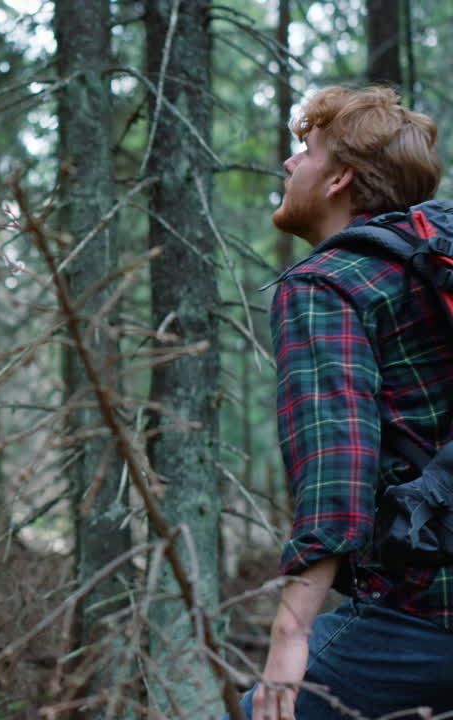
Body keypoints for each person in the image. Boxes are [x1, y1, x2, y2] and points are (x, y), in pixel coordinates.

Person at [236, 86, 453, 719]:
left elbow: (338, 461)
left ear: (340, 179)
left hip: (428, 614)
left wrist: (290, 634)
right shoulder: (435, 260)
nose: (288, 164)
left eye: (305, 150)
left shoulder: (325, 285)